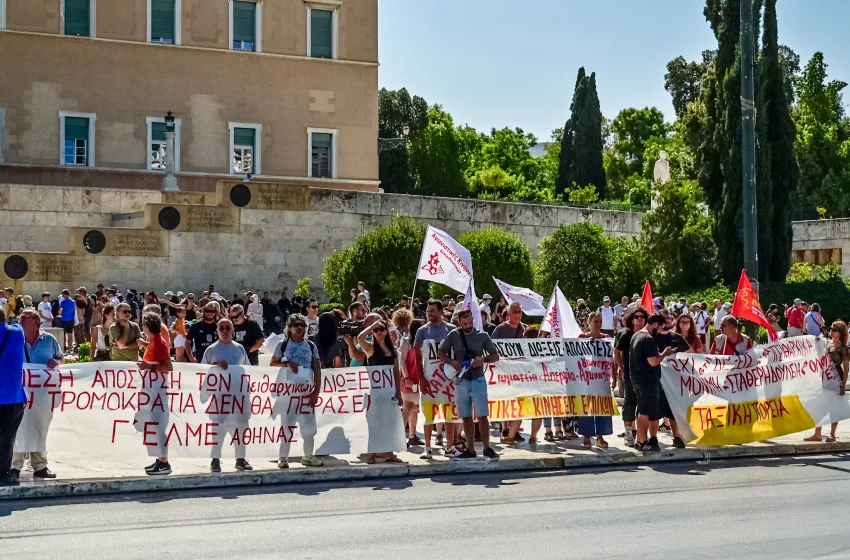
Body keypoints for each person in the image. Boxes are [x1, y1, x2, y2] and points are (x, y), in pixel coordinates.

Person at [438, 309, 500, 461]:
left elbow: (495, 356)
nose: (468, 325)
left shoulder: (482, 336)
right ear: (459, 322)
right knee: (466, 416)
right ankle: (471, 449)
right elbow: (441, 352)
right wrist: (451, 361)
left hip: (478, 379)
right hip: (461, 380)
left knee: (482, 416)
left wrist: (483, 359)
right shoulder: (454, 335)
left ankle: (487, 448)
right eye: (464, 323)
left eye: (470, 322)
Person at [10, 309, 63, 480]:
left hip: (42, 395)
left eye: (26, 318)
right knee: (19, 428)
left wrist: (57, 362)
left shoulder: (49, 340)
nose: (21, 320)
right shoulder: (14, 339)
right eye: (22, 318)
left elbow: (61, 358)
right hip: (19, 393)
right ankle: (14, 466)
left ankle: (40, 466)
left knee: (40, 428)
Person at [270, 314, 323, 468]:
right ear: (289, 328)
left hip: (306, 393)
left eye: (302, 325)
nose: (299, 328)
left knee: (309, 427)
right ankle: (283, 458)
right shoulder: (283, 345)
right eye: (296, 325)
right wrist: (287, 363)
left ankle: (308, 456)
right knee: (287, 426)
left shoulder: (311, 346)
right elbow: (273, 363)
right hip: (288, 394)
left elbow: (317, 369)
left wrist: (316, 392)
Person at [201, 318, 253, 473]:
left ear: (233, 330)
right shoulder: (210, 350)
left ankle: (240, 459)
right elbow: (202, 372)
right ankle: (215, 460)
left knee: (241, 430)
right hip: (219, 399)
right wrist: (215, 367)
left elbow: (247, 370)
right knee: (218, 431)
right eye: (221, 328)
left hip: (238, 398)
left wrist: (248, 394)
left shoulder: (240, 349)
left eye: (227, 328)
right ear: (217, 330)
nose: (224, 331)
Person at [357, 319, 404, 464]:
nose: (378, 332)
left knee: (389, 423)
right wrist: (372, 325)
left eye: (381, 329)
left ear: (386, 331)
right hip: (375, 393)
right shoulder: (370, 348)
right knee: (374, 424)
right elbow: (359, 338)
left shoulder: (393, 351)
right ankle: (371, 454)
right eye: (376, 330)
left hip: (389, 393)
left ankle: (389, 453)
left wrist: (398, 392)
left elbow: (396, 373)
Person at [629, 312, 676, 453]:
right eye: (660, 327)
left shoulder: (636, 335)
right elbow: (653, 361)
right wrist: (664, 353)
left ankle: (641, 440)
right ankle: (642, 441)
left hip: (637, 378)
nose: (660, 331)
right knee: (645, 411)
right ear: (655, 324)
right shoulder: (648, 338)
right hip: (647, 380)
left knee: (642, 410)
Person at [414, 299, 454, 459]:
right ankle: (428, 448)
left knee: (449, 415)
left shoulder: (452, 330)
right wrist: (421, 379)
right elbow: (417, 358)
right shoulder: (422, 331)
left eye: (432, 310)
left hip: (448, 380)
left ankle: (450, 447)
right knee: (428, 415)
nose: (429, 313)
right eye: (427, 311)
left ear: (440, 311)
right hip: (430, 379)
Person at [137, 312, 175, 476]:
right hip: (152, 391)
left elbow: (168, 366)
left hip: (157, 393)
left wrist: (148, 368)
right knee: (153, 426)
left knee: (158, 427)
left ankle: (164, 462)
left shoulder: (158, 342)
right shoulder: (154, 341)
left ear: (146, 327)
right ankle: (159, 460)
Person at [805, 321, 849, 442]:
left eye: (834, 329)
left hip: (836, 378)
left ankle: (832, 434)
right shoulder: (827, 343)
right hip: (825, 377)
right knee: (819, 405)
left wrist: (843, 385)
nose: (831, 331)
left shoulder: (843, 348)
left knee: (834, 407)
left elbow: (846, 368)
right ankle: (817, 434)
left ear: (839, 333)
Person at [576, 312, 613, 449]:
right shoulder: (581, 338)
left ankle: (600, 436)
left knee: (601, 407)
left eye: (600, 321)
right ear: (588, 322)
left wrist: (613, 376)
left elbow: (611, 360)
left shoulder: (607, 339)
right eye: (595, 321)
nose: (598, 324)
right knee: (586, 407)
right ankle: (586, 436)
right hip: (585, 380)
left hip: (602, 379)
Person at [492, 302, 528, 444]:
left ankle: (515, 429)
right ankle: (505, 428)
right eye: (515, 312)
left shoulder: (524, 329)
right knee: (505, 400)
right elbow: (492, 347)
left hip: (520, 372)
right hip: (504, 371)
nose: (518, 315)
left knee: (518, 402)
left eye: (519, 312)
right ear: (508, 314)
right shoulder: (500, 329)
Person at [653, 310, 689, 448]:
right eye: (665, 319)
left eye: (670, 319)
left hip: (674, 381)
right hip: (656, 379)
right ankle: (653, 438)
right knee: (654, 411)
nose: (668, 322)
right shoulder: (652, 337)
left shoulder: (677, 337)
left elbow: (689, 356)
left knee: (673, 410)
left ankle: (676, 437)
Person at [0, 309, 25, 486]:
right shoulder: (17, 332)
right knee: (8, 438)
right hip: (13, 397)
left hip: (11, 397)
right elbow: (16, 322)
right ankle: (3, 473)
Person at [615, 307, 647, 447]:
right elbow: (616, 352)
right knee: (629, 404)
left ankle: (639, 433)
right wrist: (621, 368)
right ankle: (629, 433)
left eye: (642, 316)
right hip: (629, 375)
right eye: (636, 317)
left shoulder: (648, 333)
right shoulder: (625, 334)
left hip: (645, 376)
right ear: (631, 319)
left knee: (643, 405)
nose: (639, 319)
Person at [396, 310, 423, 448]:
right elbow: (401, 360)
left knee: (415, 408)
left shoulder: (421, 343)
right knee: (407, 407)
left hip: (418, 379)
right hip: (408, 378)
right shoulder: (406, 342)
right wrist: (406, 376)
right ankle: (399, 437)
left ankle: (412, 436)